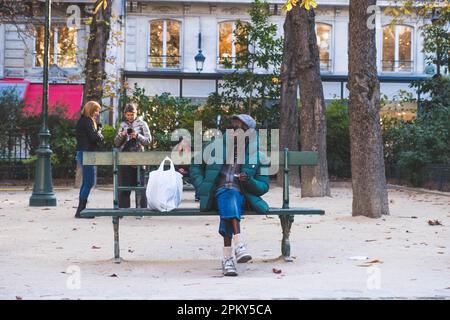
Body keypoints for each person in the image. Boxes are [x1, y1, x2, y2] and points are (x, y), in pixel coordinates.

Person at [190, 114, 270, 276]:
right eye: (233, 128)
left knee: (230, 194)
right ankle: (239, 244)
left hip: (243, 197)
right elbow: (195, 165)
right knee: (227, 192)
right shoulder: (215, 146)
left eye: (238, 129)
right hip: (215, 195)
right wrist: (202, 186)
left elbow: (263, 186)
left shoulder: (257, 155)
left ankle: (228, 259)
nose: (234, 132)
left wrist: (248, 181)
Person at [114, 103, 151, 208]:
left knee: (140, 185)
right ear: (125, 114)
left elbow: (148, 141)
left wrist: (137, 136)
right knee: (124, 184)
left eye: (132, 114)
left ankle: (140, 210)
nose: (130, 117)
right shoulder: (122, 125)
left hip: (139, 157)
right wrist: (122, 135)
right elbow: (116, 143)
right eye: (128, 115)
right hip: (125, 158)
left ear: (136, 113)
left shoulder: (142, 124)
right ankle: (123, 209)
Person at [74, 101, 104, 219]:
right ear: (91, 110)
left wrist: (97, 132)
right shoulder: (87, 121)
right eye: (96, 110)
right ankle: (81, 211)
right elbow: (94, 138)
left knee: (86, 182)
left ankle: (81, 210)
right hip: (87, 154)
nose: (97, 113)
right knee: (89, 182)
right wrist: (100, 133)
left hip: (83, 153)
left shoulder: (83, 121)